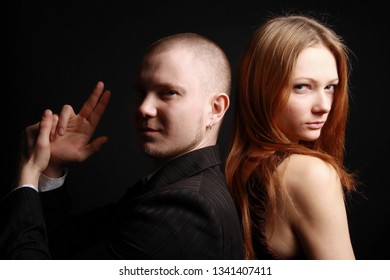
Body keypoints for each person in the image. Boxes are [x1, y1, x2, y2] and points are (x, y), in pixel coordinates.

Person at [0, 32, 244, 259]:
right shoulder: (165, 188)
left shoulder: (186, 209)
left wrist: (28, 172)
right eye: (141, 92)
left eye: (168, 93)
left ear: (215, 109)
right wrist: (51, 164)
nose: (143, 108)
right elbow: (57, 245)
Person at [225, 14, 358, 260]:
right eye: (302, 87)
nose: (324, 106)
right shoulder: (310, 173)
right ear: (263, 88)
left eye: (330, 87)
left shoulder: (235, 167)